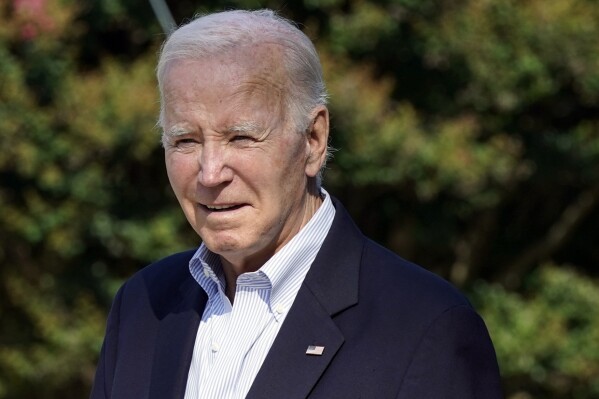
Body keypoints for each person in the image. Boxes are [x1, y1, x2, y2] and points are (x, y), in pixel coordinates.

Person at [90, 9, 503, 399]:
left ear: (313, 141)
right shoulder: (142, 306)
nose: (210, 173)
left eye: (241, 137)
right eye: (185, 140)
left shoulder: (424, 327)